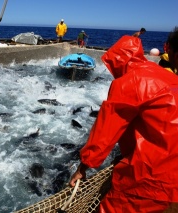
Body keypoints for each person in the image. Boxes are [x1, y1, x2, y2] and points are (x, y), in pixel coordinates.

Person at [69, 31, 178, 212]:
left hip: (149, 178)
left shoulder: (130, 81)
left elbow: (105, 132)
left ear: (117, 62)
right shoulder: (169, 77)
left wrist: (83, 166)